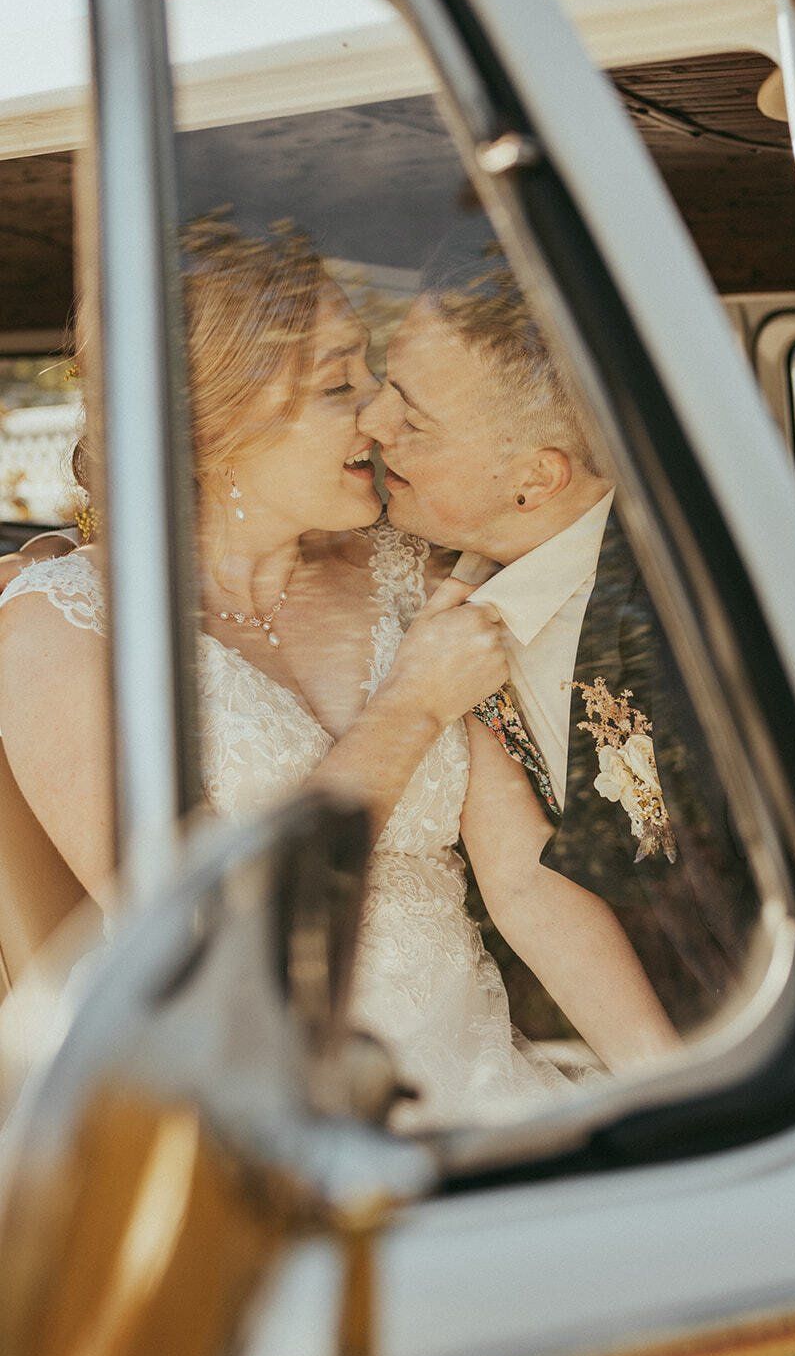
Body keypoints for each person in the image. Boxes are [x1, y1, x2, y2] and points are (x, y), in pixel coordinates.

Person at [0, 218, 676, 1128]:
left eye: (369, 368)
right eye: (336, 383)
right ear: (218, 426)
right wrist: (406, 708)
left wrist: (678, 1086)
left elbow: (526, 886)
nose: (375, 412)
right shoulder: (63, 627)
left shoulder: (411, 573)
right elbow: (203, 947)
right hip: (239, 1117)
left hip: (471, 1083)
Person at [357, 238, 760, 1034]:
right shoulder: (420, 561)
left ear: (534, 479)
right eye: (380, 385)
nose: (371, 423)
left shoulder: (686, 640)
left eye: (414, 417)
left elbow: (713, 925)